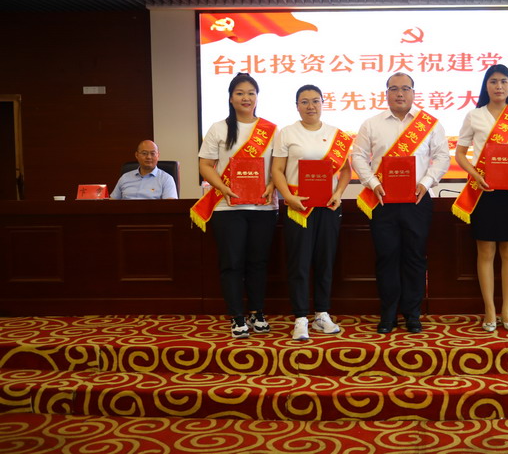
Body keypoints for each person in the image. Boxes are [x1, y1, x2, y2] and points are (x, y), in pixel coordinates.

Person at [352, 72, 450, 334]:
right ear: (386, 94)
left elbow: (442, 157)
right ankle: (388, 313)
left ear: (413, 93)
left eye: (405, 88)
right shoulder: (372, 124)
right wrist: (373, 183)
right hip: (382, 200)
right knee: (386, 257)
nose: (399, 93)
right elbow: (358, 157)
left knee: (415, 257)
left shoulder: (429, 124)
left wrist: (426, 182)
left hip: (417, 200)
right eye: (393, 89)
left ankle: (412, 314)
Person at [191, 73, 278, 340]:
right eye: (240, 93)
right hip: (227, 207)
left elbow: (280, 166)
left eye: (251, 93)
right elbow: (205, 165)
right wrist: (223, 187)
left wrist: (272, 185)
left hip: (263, 207)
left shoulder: (272, 130)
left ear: (257, 97)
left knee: (258, 263)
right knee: (232, 263)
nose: (246, 98)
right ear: (231, 98)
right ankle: (237, 316)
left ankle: (257, 313)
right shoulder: (219, 128)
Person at [452, 64, 508, 333]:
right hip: (484, 189)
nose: (499, 86)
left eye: (503, 81)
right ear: (486, 86)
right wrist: (475, 175)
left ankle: (507, 310)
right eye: (493, 81)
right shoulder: (474, 115)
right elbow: (460, 153)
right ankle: (490, 309)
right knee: (486, 250)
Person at [272, 85, 353, 341]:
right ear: (297, 106)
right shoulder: (287, 133)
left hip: (328, 207)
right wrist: (288, 197)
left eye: (315, 101)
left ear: (323, 103)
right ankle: (300, 317)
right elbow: (277, 170)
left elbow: (346, 171)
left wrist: (338, 193)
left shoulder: (336, 134)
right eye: (304, 101)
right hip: (299, 208)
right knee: (299, 262)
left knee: (324, 261)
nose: (310, 106)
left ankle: (321, 314)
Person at [111, 140, 178, 199]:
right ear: (137, 155)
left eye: (153, 153)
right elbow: (112, 202)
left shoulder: (166, 179)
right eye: (144, 153)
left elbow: (170, 206)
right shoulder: (125, 178)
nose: (148, 157)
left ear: (158, 155)